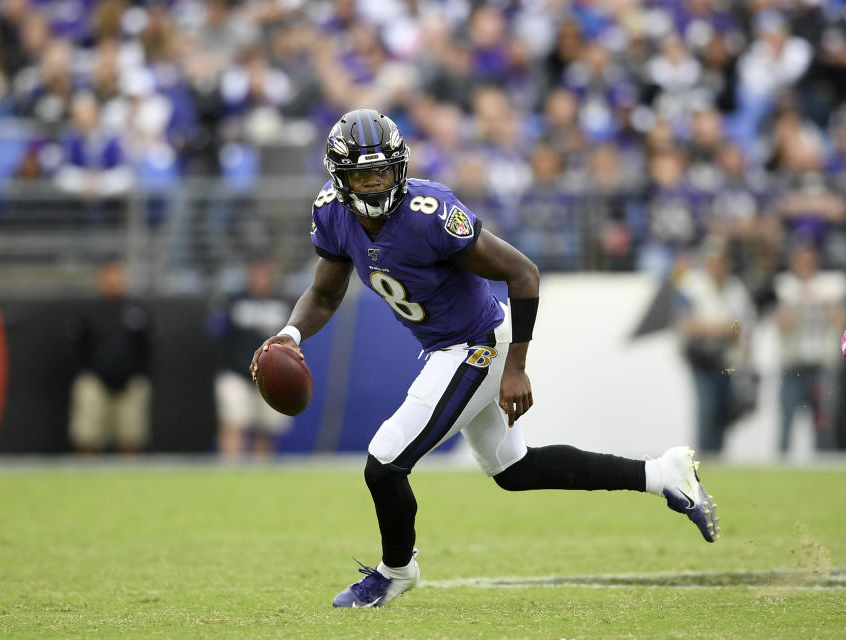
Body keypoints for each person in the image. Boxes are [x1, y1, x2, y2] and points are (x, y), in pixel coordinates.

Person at [250, 109, 721, 609]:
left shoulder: (429, 213)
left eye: (381, 172)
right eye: (360, 176)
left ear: (399, 167)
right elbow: (323, 295)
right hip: (445, 346)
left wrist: (515, 366)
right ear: (339, 178)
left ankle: (395, 570)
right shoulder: (334, 213)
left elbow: (523, 272)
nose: (372, 185)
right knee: (513, 469)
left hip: (477, 343)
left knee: (385, 462)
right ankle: (663, 474)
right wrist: (289, 335)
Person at [676, 237, 757, 454]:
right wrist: (723, 329)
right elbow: (686, 323)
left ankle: (718, 458)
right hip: (702, 359)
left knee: (724, 411)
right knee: (707, 410)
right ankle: (705, 460)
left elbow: (742, 325)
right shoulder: (692, 286)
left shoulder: (735, 289)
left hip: (727, 361)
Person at [210, 258, 293, 459]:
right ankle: (230, 471)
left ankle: (260, 475)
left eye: (265, 273)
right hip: (237, 373)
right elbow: (216, 334)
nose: (261, 279)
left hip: (271, 376)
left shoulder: (282, 303)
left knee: (267, 428)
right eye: (257, 273)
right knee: (234, 422)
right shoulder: (233, 301)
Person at [67, 259, 151, 454]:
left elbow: (147, 349)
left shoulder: (137, 311)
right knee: (87, 437)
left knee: (131, 438)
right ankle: (85, 480)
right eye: (109, 276)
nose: (114, 281)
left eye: (118, 276)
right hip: (95, 381)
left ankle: (131, 482)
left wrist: (139, 375)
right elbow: (76, 350)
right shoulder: (88, 313)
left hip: (129, 384)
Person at [774, 241, 845, 453]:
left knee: (824, 427)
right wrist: (799, 300)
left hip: (821, 368)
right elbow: (782, 325)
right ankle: (780, 474)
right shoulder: (784, 285)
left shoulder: (831, 284)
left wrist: (825, 302)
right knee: (786, 426)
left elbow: (841, 323)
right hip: (792, 367)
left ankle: (825, 478)